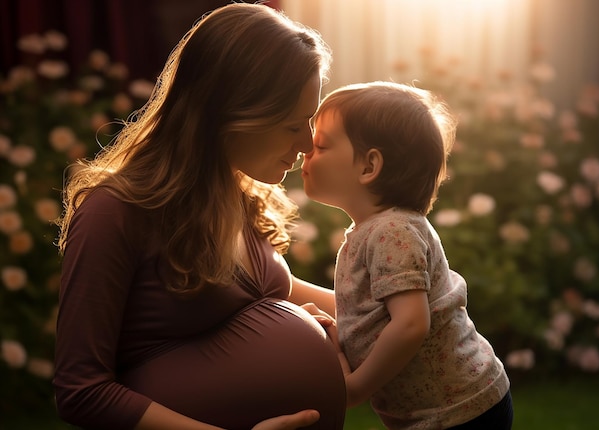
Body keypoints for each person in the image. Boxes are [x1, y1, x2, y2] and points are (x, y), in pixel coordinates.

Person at [53, 3, 346, 430]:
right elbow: (81, 390)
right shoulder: (113, 212)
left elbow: (264, 290)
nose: (307, 142)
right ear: (228, 112)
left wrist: (395, 310)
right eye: (291, 125)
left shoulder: (233, 189)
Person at [301, 81, 513, 429]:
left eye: (321, 144)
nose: (305, 151)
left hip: (461, 411)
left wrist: (355, 387)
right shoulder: (377, 230)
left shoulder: (392, 231)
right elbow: (373, 316)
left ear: (369, 167)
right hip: (444, 410)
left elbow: (411, 324)